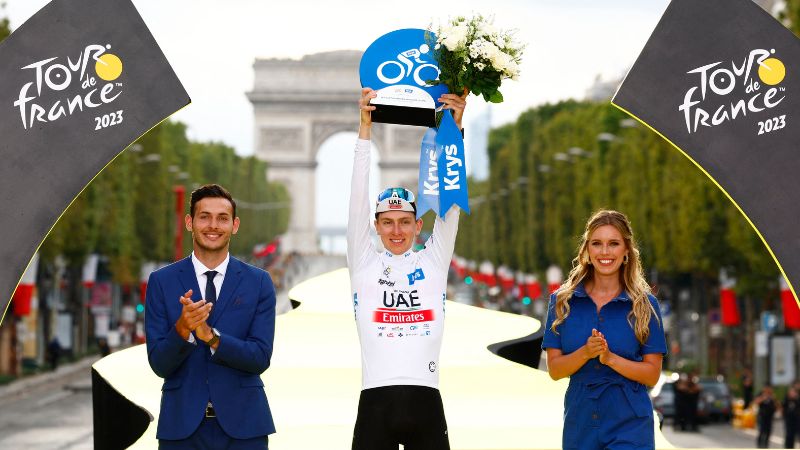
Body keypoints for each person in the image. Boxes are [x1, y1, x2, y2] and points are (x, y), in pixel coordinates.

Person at [348, 87, 466, 450]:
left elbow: (452, 200)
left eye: (404, 222)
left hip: (426, 403)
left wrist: (455, 134)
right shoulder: (363, 259)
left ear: (419, 226)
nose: (396, 231)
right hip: (375, 405)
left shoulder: (433, 259)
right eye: (387, 222)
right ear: (375, 226)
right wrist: (364, 131)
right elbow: (357, 196)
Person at [145, 184, 276, 449]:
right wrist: (182, 329)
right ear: (190, 222)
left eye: (222, 218)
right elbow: (159, 365)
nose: (213, 225)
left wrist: (212, 338)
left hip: (245, 429)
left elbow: (260, 357)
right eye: (204, 216)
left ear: (235, 225)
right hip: (181, 429)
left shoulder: (259, 282)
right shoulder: (161, 282)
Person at [542, 210, 667, 450]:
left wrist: (609, 359)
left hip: (630, 427)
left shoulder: (645, 305)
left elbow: (652, 374)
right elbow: (555, 370)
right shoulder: (561, 302)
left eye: (614, 244)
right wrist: (586, 353)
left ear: (626, 251)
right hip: (580, 425)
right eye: (597, 244)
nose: (605, 252)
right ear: (587, 250)